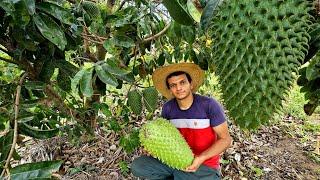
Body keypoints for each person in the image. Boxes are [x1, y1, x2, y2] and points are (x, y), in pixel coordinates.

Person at [131, 63, 232, 180]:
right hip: (175, 159)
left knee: (186, 175)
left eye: (182, 82)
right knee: (138, 166)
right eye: (173, 85)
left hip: (203, 165)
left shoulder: (209, 105)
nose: (178, 88)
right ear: (170, 89)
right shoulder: (168, 108)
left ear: (191, 84)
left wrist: (201, 158)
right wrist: (153, 146)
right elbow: (165, 137)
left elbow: (226, 140)